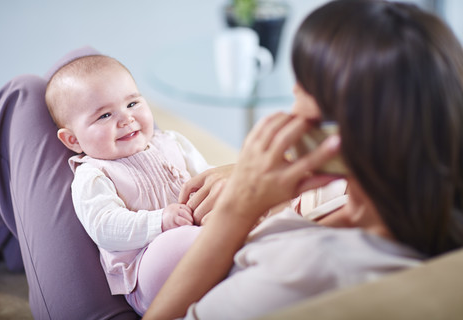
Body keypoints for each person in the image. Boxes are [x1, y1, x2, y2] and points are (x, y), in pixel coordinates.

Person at [143, 0, 463, 319]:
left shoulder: (308, 271)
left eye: (305, 84)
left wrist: (236, 209)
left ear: (341, 130)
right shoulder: (375, 196)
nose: (294, 91)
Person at [44, 54, 210, 315]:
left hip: (208, 236)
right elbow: (104, 226)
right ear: (73, 140)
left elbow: (208, 176)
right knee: (178, 244)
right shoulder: (94, 174)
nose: (126, 119)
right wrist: (160, 222)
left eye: (132, 103)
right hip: (148, 266)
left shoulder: (171, 142)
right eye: (105, 115)